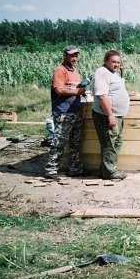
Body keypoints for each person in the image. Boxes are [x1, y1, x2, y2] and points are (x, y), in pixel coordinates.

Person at [45, 45, 86, 180]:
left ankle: (74, 169)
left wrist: (82, 91)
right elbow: (59, 90)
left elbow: (75, 89)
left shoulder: (74, 71)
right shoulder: (60, 70)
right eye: (71, 55)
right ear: (65, 56)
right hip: (63, 112)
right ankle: (51, 169)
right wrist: (77, 92)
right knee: (59, 141)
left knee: (75, 142)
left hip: (75, 110)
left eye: (75, 55)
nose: (74, 58)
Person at [92, 50, 130, 180]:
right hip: (106, 115)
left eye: (118, 62)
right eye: (113, 62)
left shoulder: (112, 73)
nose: (116, 64)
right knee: (110, 143)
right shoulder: (101, 73)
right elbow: (102, 96)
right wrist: (110, 115)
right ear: (106, 61)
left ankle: (106, 170)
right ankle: (110, 172)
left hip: (117, 114)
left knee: (116, 141)